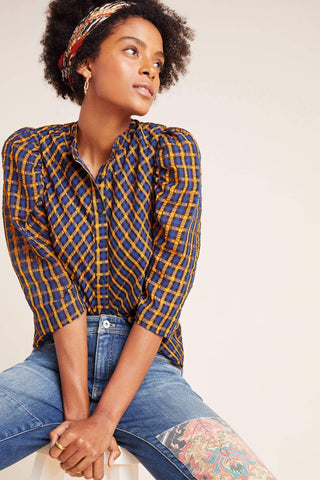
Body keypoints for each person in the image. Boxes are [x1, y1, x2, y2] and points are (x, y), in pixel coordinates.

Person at [0, 1, 278, 479]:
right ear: (85, 60)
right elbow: (47, 283)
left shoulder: (172, 150)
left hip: (147, 372)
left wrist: (104, 418)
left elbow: (170, 285)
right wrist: (78, 419)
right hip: (52, 369)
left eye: (157, 63)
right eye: (132, 51)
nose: (149, 69)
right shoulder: (28, 153)